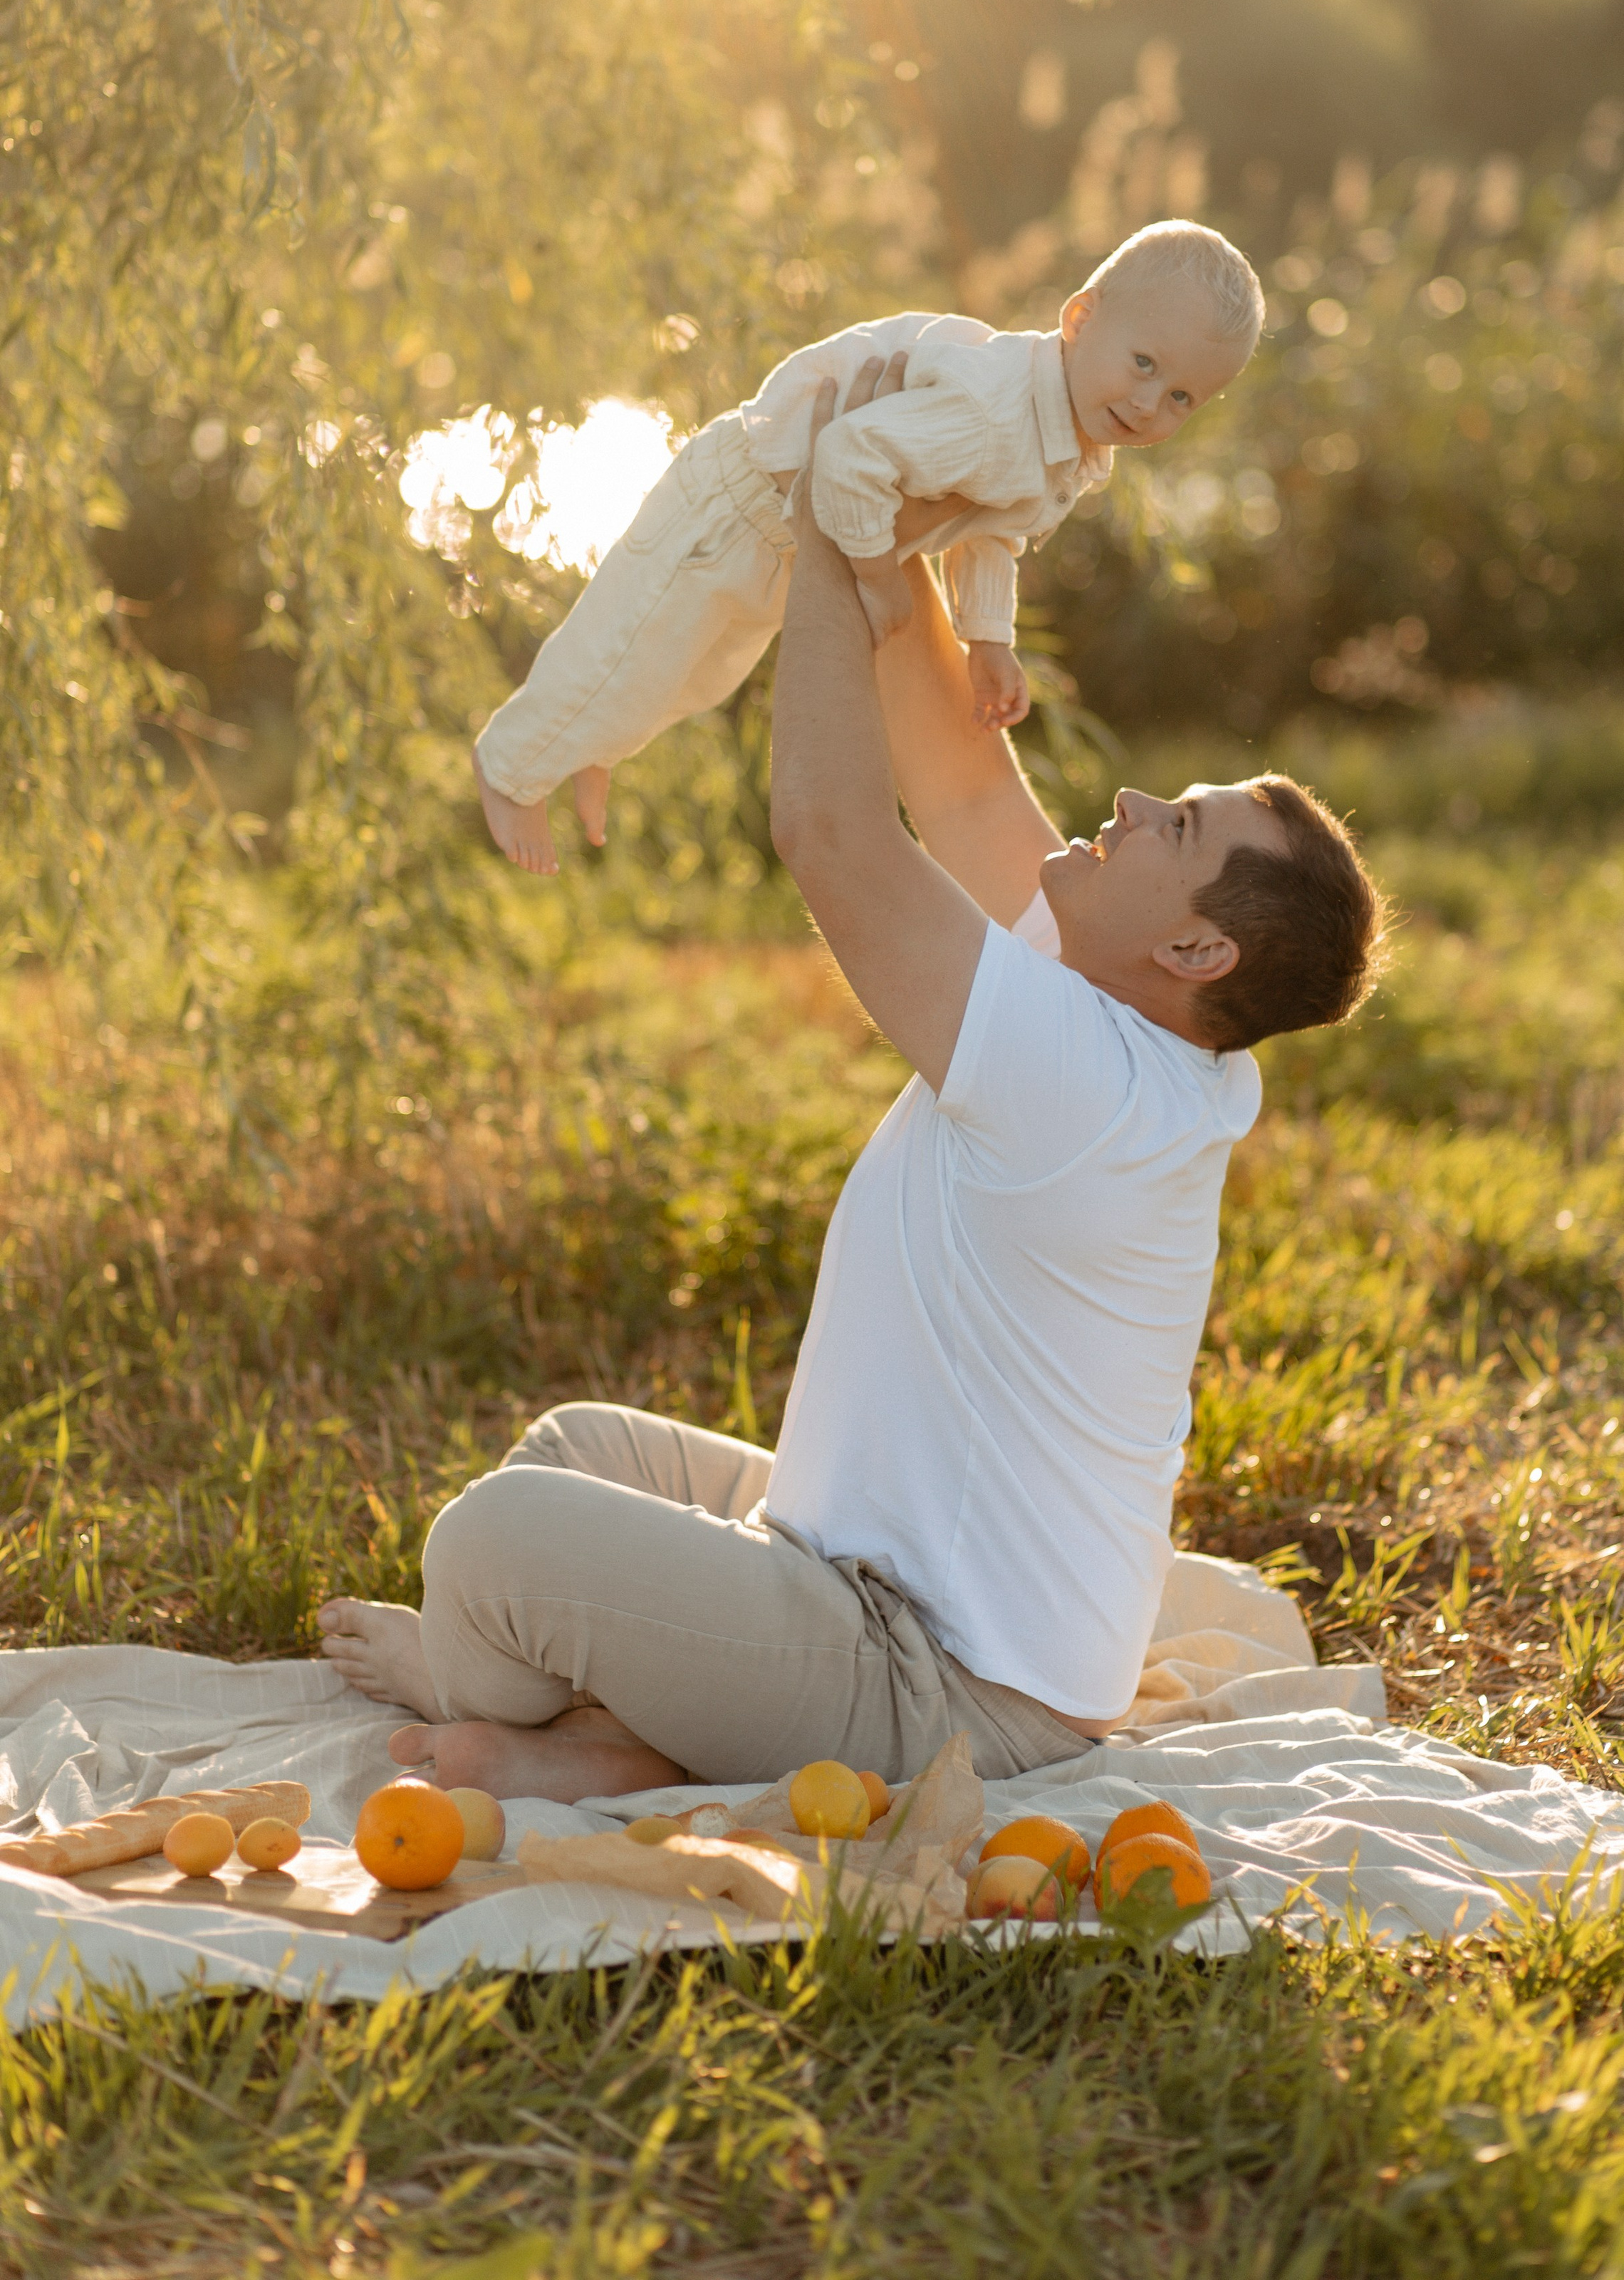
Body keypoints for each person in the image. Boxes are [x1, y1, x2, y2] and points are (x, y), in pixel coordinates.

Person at [320, 356, 1384, 1798]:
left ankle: (588, 1738)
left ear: (1193, 944)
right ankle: (630, 1728)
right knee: (568, 1450)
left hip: (939, 1685)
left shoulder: (1083, 1076)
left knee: (491, 1546)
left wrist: (824, 525)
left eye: (1173, 826)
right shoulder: (1132, 1008)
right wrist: (885, 500)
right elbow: (950, 782)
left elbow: (834, 828)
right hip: (846, 1564)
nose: (1128, 803)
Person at [472, 218, 1264, 874]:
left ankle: (595, 739)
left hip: (791, 544)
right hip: (743, 498)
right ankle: (511, 768)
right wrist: (879, 577)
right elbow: (845, 456)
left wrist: (987, 639)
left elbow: (994, 535)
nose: (1147, 402)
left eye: (1181, 397)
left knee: (698, 672)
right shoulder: (995, 410)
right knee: (630, 638)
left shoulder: (1075, 440)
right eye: (1143, 363)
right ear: (1080, 320)